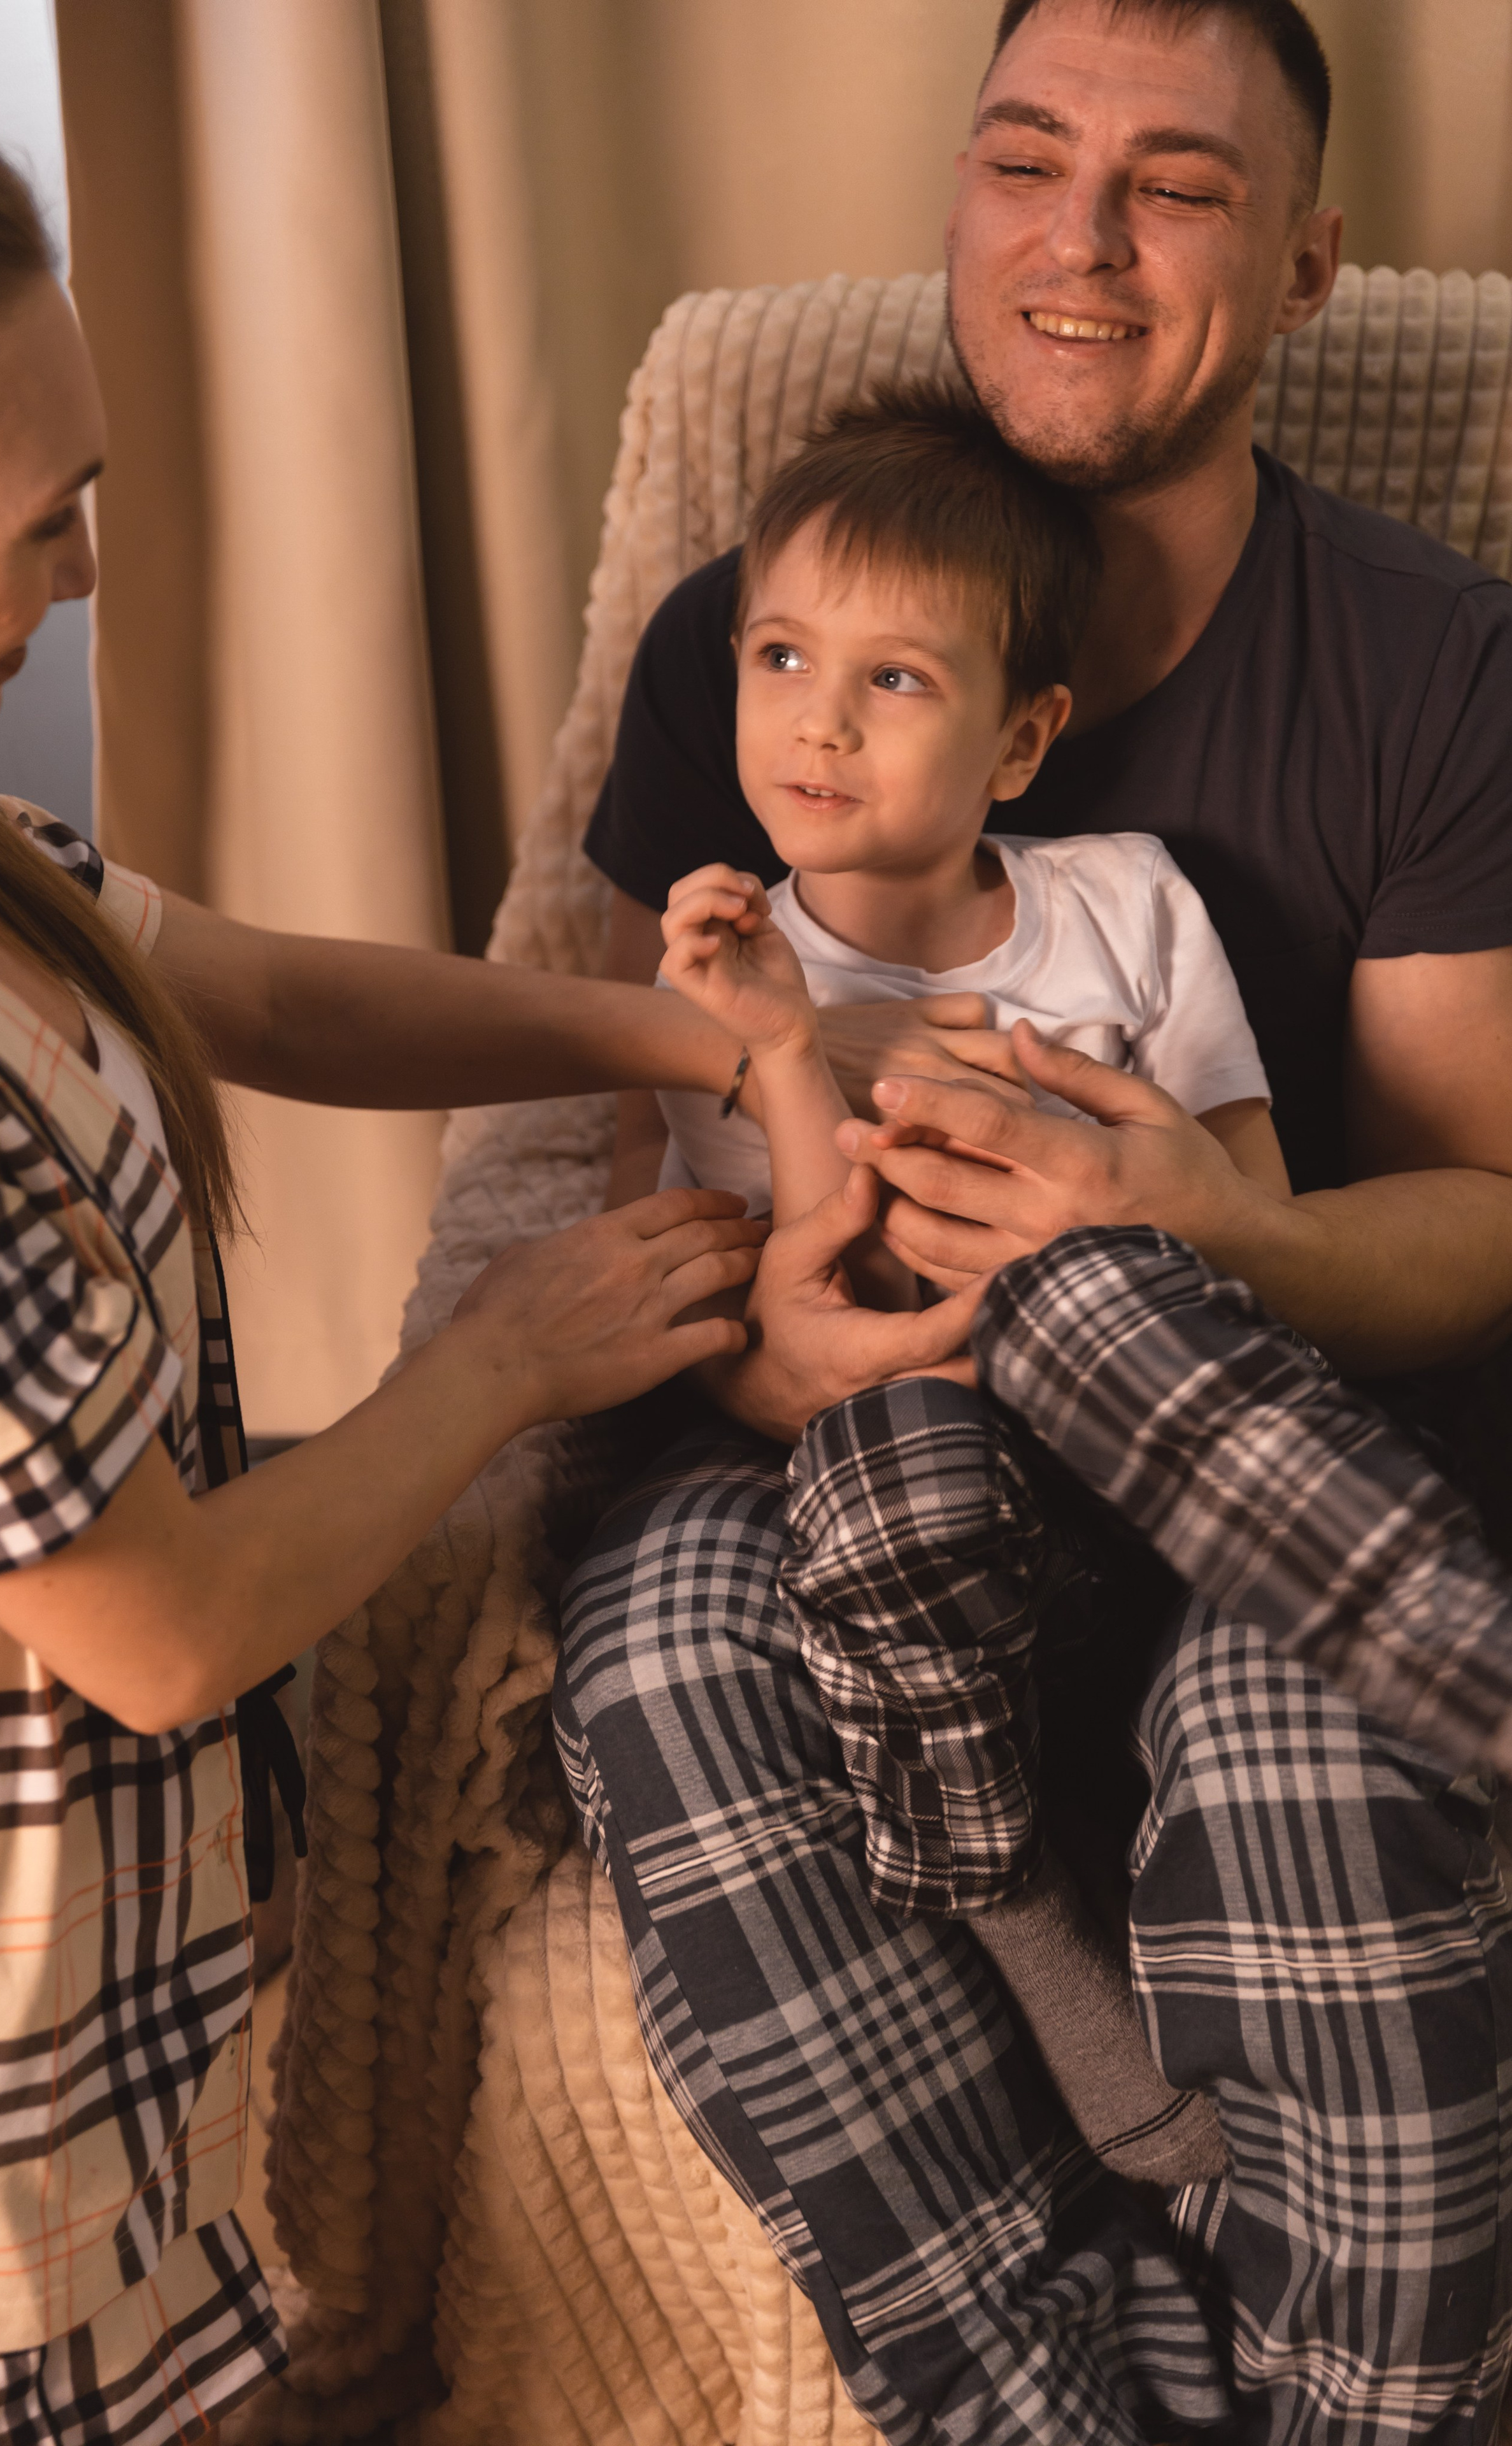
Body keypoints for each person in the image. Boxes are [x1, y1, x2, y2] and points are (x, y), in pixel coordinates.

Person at [0, 104, 987, 2445]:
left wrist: (719, 1034)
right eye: (45, 512)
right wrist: (502, 1357)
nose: (88, 568)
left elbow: (260, 992)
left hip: (113, 1986)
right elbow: (159, 1626)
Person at [557, 0, 1512, 2438]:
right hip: (849, 1459)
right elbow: (634, 1146)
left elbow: (1477, 1214)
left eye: (1175, 187)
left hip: (1249, 1463)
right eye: (1022, 162)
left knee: (1285, 1722)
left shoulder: (1429, 669)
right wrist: (771, 1352)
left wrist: (1193, 1214)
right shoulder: (740, 649)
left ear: (1304, 270)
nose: (1079, 241)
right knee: (659, 1642)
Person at [651, 380, 1284, 2179]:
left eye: (898, 680)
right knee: (890, 1442)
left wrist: (1082, 1195)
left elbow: (1255, 1217)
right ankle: (1017, 1906)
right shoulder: (728, 974)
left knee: (1141, 1335)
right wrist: (785, 1049)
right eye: (782, 658)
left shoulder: (1128, 905)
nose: (819, 721)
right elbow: (810, 1298)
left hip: (1141, 1461)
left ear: (1021, 741)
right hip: (915, 1506)